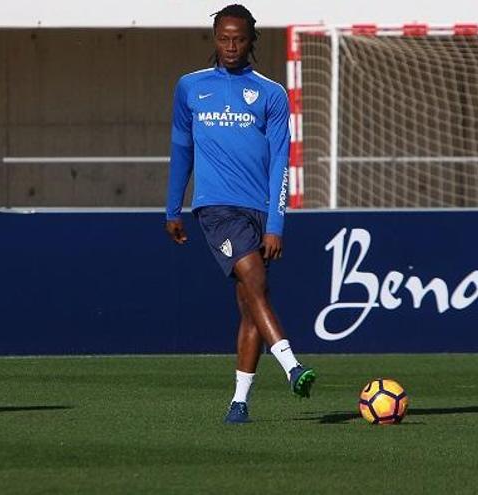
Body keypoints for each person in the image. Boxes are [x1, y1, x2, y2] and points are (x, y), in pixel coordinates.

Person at [165, 4, 315, 424]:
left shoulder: (270, 94)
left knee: (252, 302)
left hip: (257, 211)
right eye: (223, 38)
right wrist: (172, 207)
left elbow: (279, 165)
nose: (230, 46)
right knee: (255, 280)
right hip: (216, 209)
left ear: (252, 41)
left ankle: (239, 401)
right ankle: (292, 366)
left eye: (238, 38)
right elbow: (181, 151)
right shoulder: (190, 88)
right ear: (214, 39)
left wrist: (275, 223)